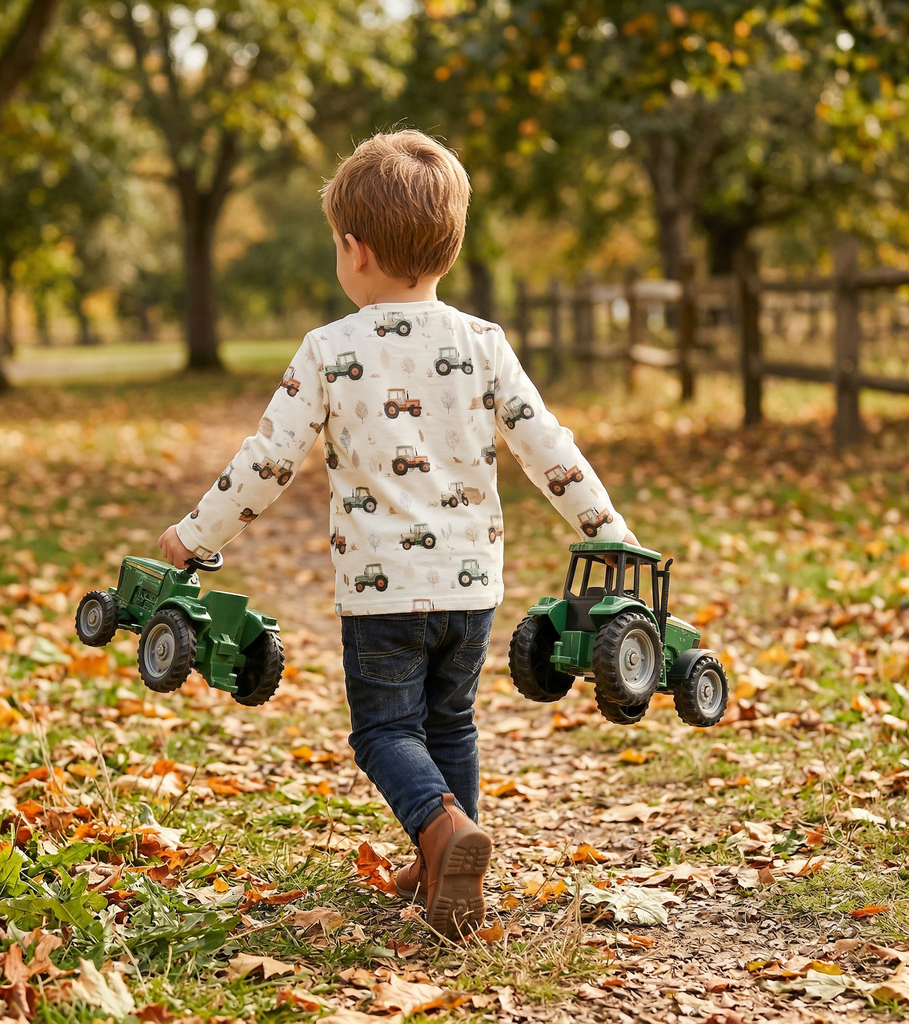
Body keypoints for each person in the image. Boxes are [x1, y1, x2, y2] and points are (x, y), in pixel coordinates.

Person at [158, 129, 638, 939]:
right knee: (450, 725)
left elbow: (268, 461)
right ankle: (449, 868)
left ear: (355, 250)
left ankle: (444, 831)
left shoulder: (329, 349)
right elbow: (545, 444)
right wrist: (609, 531)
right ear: (446, 250)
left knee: (384, 731)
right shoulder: (484, 344)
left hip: (381, 591)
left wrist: (194, 537)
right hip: (472, 588)